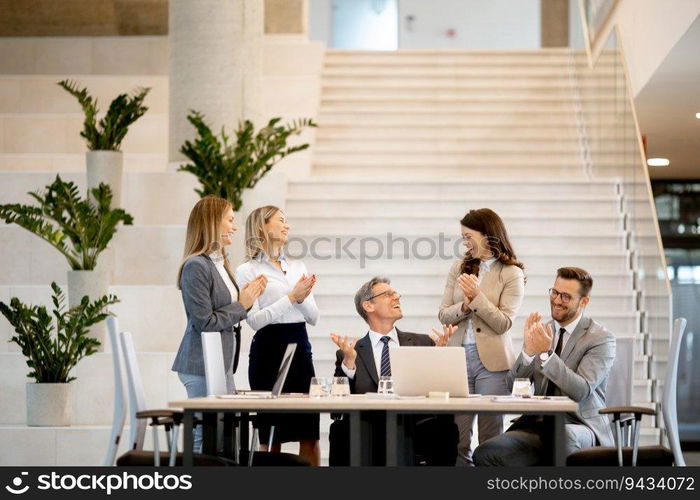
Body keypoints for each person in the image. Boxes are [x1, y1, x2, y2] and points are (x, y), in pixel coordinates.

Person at [473, 267, 616, 466]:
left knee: (562, 438)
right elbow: (512, 386)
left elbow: (581, 390)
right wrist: (528, 354)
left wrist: (547, 354)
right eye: (555, 292)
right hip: (537, 425)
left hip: (577, 424)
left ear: (584, 302)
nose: (557, 301)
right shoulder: (543, 331)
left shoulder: (600, 338)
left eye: (566, 297)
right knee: (485, 453)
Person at [329, 276, 459, 466]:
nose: (396, 297)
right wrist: (349, 362)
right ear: (368, 306)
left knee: (444, 428)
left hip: (414, 424)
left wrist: (437, 357)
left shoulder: (424, 343)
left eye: (396, 293)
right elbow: (336, 406)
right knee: (340, 430)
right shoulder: (349, 352)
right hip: (368, 425)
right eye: (388, 294)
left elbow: (441, 392)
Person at [172, 196, 267, 452]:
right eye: (230, 220)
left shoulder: (221, 263)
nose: (235, 227)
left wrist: (248, 299)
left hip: (221, 362)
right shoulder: (195, 266)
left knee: (223, 438)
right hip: (201, 363)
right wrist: (242, 304)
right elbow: (204, 322)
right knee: (204, 437)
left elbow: (229, 311)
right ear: (213, 223)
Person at [438, 208, 526, 465]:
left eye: (469, 236)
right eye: (462, 237)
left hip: (493, 365)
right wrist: (464, 307)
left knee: (490, 438)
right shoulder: (459, 267)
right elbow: (443, 314)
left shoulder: (512, 274)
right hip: (458, 361)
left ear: (488, 235)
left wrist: (477, 298)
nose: (465, 242)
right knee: (459, 437)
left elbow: (503, 323)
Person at [235, 205, 321, 466]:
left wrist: (301, 298)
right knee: (272, 436)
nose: (287, 226)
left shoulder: (298, 267)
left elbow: (314, 317)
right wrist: (291, 297)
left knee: (310, 434)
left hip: (300, 348)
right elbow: (255, 321)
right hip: (268, 352)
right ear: (263, 226)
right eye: (281, 221)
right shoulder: (247, 270)